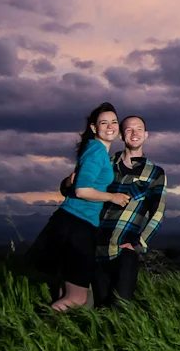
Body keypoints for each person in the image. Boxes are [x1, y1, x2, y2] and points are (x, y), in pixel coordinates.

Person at [25, 102, 130, 312]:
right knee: (78, 299)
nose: (110, 126)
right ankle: (33, 329)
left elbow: (73, 184)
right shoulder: (96, 151)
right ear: (93, 128)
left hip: (71, 224)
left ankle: (49, 335)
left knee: (68, 293)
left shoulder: (95, 150)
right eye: (104, 123)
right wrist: (112, 197)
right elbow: (82, 190)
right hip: (77, 226)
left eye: (114, 122)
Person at [61, 114, 166, 308]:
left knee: (121, 308)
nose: (134, 133)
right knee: (99, 308)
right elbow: (72, 190)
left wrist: (139, 244)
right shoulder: (105, 164)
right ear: (121, 136)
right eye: (128, 129)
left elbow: (157, 213)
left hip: (124, 250)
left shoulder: (155, 173)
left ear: (146, 135)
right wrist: (69, 181)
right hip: (95, 247)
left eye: (139, 129)